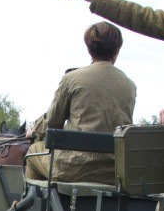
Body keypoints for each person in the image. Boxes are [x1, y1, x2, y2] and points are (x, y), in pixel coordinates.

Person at [25, 22, 136, 184]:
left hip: (74, 168)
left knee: (33, 151)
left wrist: (34, 130)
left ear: (89, 49)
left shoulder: (72, 78)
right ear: (117, 50)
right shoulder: (130, 85)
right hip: (114, 171)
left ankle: (30, 206)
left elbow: (52, 122)